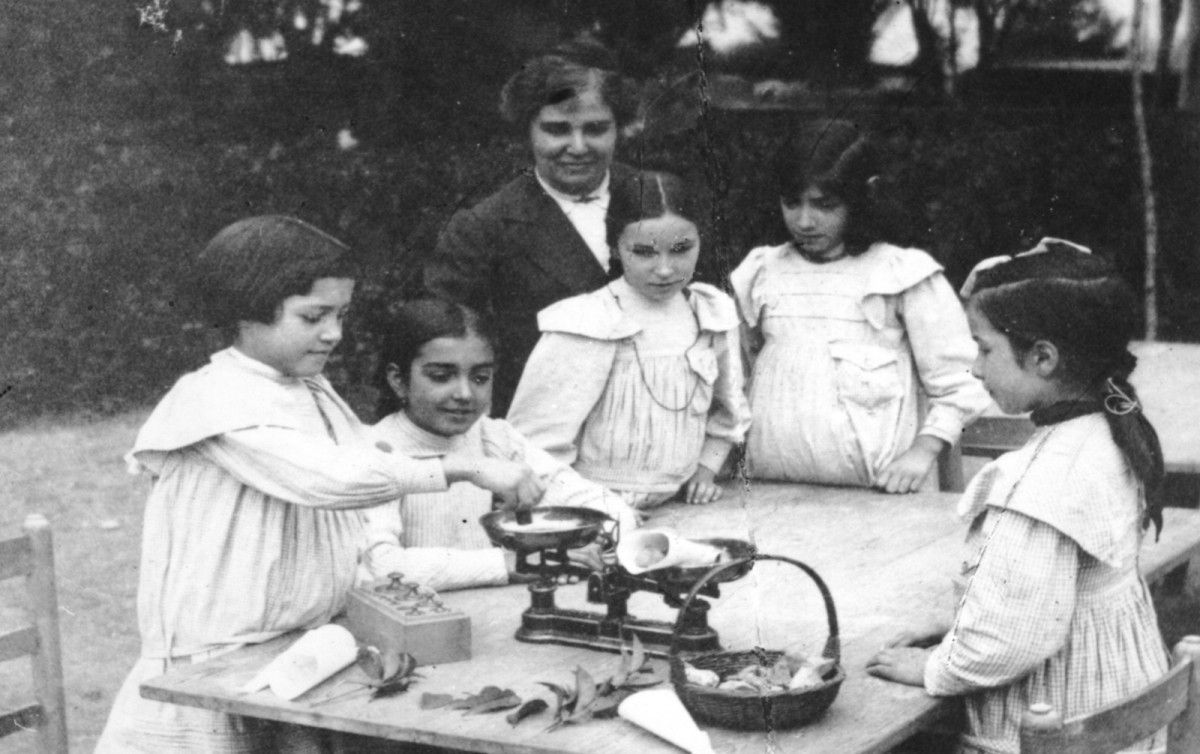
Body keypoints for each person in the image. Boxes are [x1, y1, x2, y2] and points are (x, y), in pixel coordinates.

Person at [95, 216, 542, 753]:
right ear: (246, 311)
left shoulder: (309, 389)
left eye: (340, 315)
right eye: (313, 316)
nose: (333, 332)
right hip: (209, 663)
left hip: (296, 649)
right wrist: (462, 469)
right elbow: (329, 479)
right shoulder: (214, 399)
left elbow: (365, 459)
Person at [866, 240, 1170, 754]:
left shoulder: (1040, 480)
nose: (975, 368)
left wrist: (934, 666)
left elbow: (1011, 640)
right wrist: (954, 621)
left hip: (1053, 728)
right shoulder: (1111, 432)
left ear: (1043, 357)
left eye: (984, 348)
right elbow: (1050, 594)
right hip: (1122, 712)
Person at [730, 119, 990, 492]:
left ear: (862, 199)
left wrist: (921, 453)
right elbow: (734, 373)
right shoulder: (761, 271)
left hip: (882, 496)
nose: (804, 221)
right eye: (792, 203)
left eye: (825, 205)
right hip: (772, 487)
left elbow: (961, 383)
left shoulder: (901, 275)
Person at [423, 40, 643, 416]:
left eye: (595, 129)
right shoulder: (483, 228)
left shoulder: (657, 200)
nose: (577, 146)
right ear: (528, 130)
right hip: (541, 429)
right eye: (557, 130)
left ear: (618, 128)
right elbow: (439, 348)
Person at [507, 171, 751, 509]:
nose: (664, 269)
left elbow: (730, 410)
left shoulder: (711, 314)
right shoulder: (588, 322)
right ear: (615, 247)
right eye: (644, 252)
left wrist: (705, 470)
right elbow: (535, 445)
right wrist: (593, 508)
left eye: (681, 249)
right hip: (590, 506)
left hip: (678, 506)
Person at [361, 298, 639, 591]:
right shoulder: (376, 450)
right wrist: (510, 562)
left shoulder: (493, 437)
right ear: (397, 380)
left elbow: (607, 507)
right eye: (441, 377)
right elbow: (381, 566)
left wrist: (585, 547)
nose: (465, 394)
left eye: (480, 378)